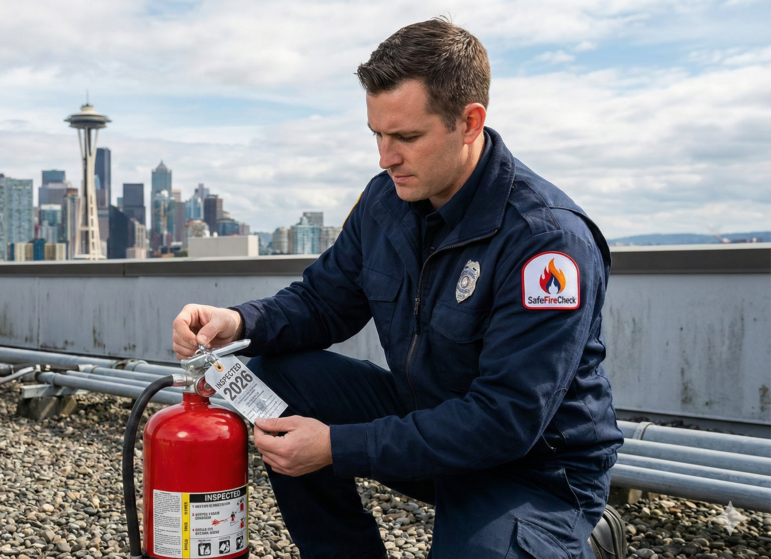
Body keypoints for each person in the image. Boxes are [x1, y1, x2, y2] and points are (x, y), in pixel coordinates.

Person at [172, 18, 626, 559]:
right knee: (275, 380)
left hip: (530, 467)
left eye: (406, 137)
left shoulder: (546, 244)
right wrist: (239, 322)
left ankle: (578, 539)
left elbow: (506, 420)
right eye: (378, 135)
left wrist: (339, 447)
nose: (385, 157)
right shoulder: (387, 201)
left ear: (469, 122)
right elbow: (323, 301)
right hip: (427, 421)